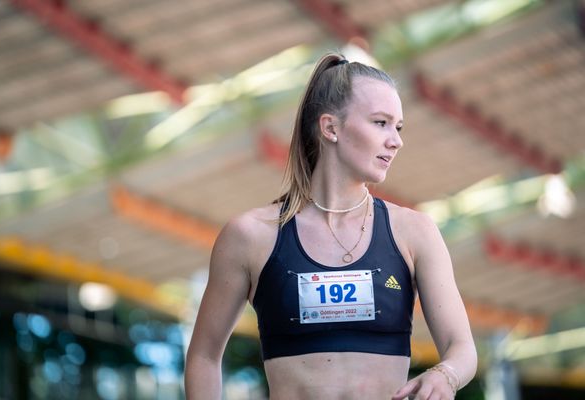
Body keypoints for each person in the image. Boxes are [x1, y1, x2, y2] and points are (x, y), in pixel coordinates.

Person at [185, 53, 477, 400]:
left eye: (398, 127)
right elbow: (204, 355)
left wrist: (446, 375)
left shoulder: (414, 233)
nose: (396, 140)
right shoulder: (250, 237)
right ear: (330, 128)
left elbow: (462, 349)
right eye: (380, 123)